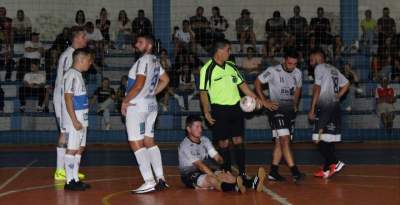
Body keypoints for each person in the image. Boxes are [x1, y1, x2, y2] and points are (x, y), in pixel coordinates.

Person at [199, 39, 261, 182]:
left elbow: (243, 85)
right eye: (228, 50)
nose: (229, 52)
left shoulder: (232, 67)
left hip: (236, 108)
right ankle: (226, 174)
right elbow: (203, 93)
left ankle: (243, 174)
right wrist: (206, 111)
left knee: (238, 140)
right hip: (219, 109)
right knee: (223, 143)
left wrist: (256, 98)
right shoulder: (207, 69)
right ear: (219, 52)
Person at [121, 34, 170, 194]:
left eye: (140, 42)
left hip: (137, 105)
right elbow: (166, 80)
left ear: (149, 46)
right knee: (149, 141)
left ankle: (149, 181)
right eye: (136, 42)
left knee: (136, 143)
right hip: (151, 105)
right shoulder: (156, 61)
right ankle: (161, 178)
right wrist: (153, 93)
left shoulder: (143, 61)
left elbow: (138, 84)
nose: (136, 44)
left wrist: (125, 101)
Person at [179, 115, 267, 193]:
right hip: (190, 176)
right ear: (189, 129)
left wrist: (222, 165)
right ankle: (235, 187)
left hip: (203, 170)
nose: (200, 129)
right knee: (212, 179)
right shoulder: (185, 146)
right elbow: (200, 166)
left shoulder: (204, 140)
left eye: (201, 126)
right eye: (197, 127)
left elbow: (216, 157)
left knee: (225, 175)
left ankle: (253, 183)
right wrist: (215, 176)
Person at [254, 49, 304, 182]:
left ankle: (273, 172)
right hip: (276, 110)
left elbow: (298, 88)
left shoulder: (298, 73)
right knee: (285, 140)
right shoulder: (273, 71)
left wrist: (295, 103)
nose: (291, 66)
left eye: (294, 64)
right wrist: (264, 101)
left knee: (279, 142)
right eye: (289, 63)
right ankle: (295, 171)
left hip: (289, 111)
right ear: (284, 61)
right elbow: (257, 82)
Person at [308, 49, 350, 179]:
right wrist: (337, 96)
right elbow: (347, 83)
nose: (310, 61)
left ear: (318, 57)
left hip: (325, 106)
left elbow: (317, 88)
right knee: (328, 139)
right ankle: (326, 169)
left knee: (317, 139)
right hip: (335, 107)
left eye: (311, 58)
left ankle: (335, 162)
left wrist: (312, 108)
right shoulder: (333, 69)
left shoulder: (319, 67)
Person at [53, 26, 87, 181]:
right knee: (65, 133)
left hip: (67, 99)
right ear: (76, 38)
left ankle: (69, 170)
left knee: (69, 134)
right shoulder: (69, 56)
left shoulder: (74, 54)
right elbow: (67, 84)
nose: (85, 39)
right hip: (63, 99)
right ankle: (61, 170)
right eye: (83, 37)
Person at [62, 48, 92, 191]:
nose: (90, 63)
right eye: (88, 60)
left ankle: (75, 178)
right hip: (75, 118)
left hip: (82, 118)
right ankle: (69, 181)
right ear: (80, 59)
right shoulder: (72, 75)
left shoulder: (78, 75)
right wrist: (74, 120)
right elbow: (68, 98)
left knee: (80, 148)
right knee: (72, 149)